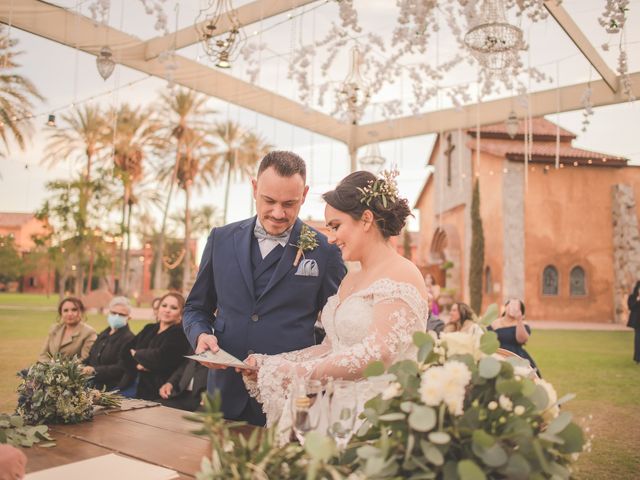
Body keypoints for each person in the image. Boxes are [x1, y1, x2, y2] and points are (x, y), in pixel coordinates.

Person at [241, 170, 429, 427]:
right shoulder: (349, 280)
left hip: (376, 417)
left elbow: (378, 354)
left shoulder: (402, 273)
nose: (331, 238)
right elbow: (332, 348)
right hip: (333, 412)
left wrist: (297, 374)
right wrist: (271, 363)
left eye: (336, 226)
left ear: (366, 219)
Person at [183, 151, 347, 426]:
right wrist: (200, 336)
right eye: (269, 201)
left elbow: (337, 325)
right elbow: (196, 308)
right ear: (254, 188)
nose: (278, 213)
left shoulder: (324, 250)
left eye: (289, 203)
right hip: (224, 394)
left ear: (304, 195)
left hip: (288, 399)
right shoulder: (220, 239)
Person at [118, 292, 191, 400]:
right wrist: (138, 365)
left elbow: (162, 358)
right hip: (131, 382)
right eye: (164, 305)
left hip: (157, 389)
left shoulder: (180, 333)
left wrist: (137, 353)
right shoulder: (149, 328)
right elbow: (124, 352)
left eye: (174, 308)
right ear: (158, 309)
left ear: (180, 313)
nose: (167, 310)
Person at [82, 296, 136, 390]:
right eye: (114, 313)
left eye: (121, 314)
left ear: (129, 317)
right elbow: (91, 356)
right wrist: (79, 366)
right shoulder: (104, 334)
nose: (116, 316)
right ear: (109, 313)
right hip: (91, 383)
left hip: (110, 387)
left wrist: (95, 370)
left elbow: (121, 367)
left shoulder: (129, 339)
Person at [488, 298, 540, 376]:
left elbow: (521, 340)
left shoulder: (523, 324)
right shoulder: (494, 323)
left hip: (516, 356)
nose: (513, 308)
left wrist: (519, 320)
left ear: (521, 311)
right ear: (506, 306)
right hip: (498, 355)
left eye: (516, 306)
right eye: (511, 304)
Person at [38, 297, 97, 363]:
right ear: (61, 313)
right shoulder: (54, 329)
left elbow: (85, 359)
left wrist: (61, 368)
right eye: (65, 310)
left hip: (74, 372)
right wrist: (50, 367)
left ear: (81, 311)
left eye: (74, 310)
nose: (69, 314)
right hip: (49, 370)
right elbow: (43, 355)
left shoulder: (89, 332)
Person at [627, 281, 640, 364]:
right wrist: (638, 301)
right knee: (638, 340)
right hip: (638, 323)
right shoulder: (633, 297)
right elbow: (631, 306)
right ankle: (638, 358)